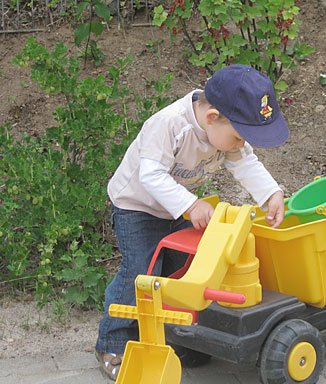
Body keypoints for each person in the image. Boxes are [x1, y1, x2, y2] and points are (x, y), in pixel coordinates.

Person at [95, 64, 289, 379]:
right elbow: (151, 175)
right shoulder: (169, 124)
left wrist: (270, 194)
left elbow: (245, 163)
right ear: (212, 117)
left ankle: (170, 335)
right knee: (141, 272)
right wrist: (190, 204)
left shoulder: (225, 131)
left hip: (176, 208)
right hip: (136, 207)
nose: (242, 144)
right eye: (240, 137)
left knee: (179, 270)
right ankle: (114, 343)